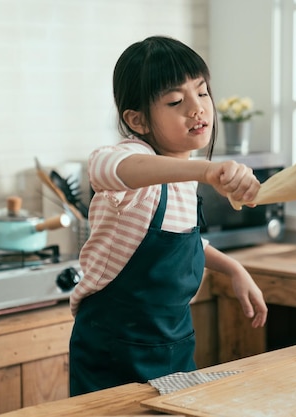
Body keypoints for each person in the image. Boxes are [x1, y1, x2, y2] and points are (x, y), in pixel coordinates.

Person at [68, 35, 268, 396]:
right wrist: (206, 172)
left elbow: (186, 240)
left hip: (174, 347)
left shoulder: (183, 174)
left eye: (202, 92)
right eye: (176, 100)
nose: (197, 108)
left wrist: (234, 269)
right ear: (137, 120)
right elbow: (103, 166)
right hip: (113, 351)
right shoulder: (133, 161)